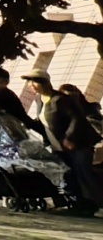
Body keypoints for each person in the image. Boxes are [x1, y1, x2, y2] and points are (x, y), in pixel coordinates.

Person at [23, 68, 101, 216]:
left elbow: (76, 119)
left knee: (83, 174)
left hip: (77, 145)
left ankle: (96, 202)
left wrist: (69, 138)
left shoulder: (60, 99)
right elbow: (42, 122)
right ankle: (80, 204)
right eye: (29, 82)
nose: (31, 85)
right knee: (69, 175)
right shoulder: (39, 99)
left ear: (45, 83)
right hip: (58, 147)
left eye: (35, 82)